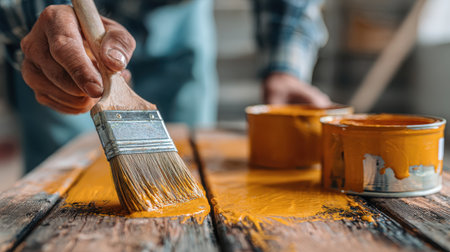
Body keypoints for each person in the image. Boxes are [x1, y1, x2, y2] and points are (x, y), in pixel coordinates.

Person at [0, 0, 331, 172]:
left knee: (189, 159)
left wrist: (285, 67)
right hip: (62, 25)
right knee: (63, 178)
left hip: (179, 18)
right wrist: (29, 25)